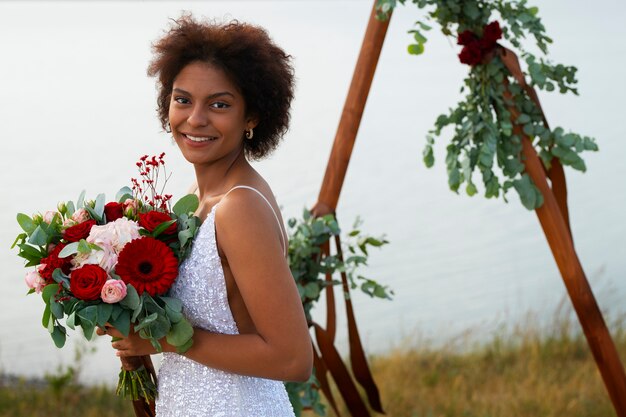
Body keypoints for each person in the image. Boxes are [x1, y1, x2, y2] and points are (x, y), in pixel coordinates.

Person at [97, 14, 312, 416]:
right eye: (183, 99)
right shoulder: (195, 197)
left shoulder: (240, 208)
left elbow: (292, 359)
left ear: (252, 117)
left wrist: (164, 341)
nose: (195, 119)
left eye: (219, 104)